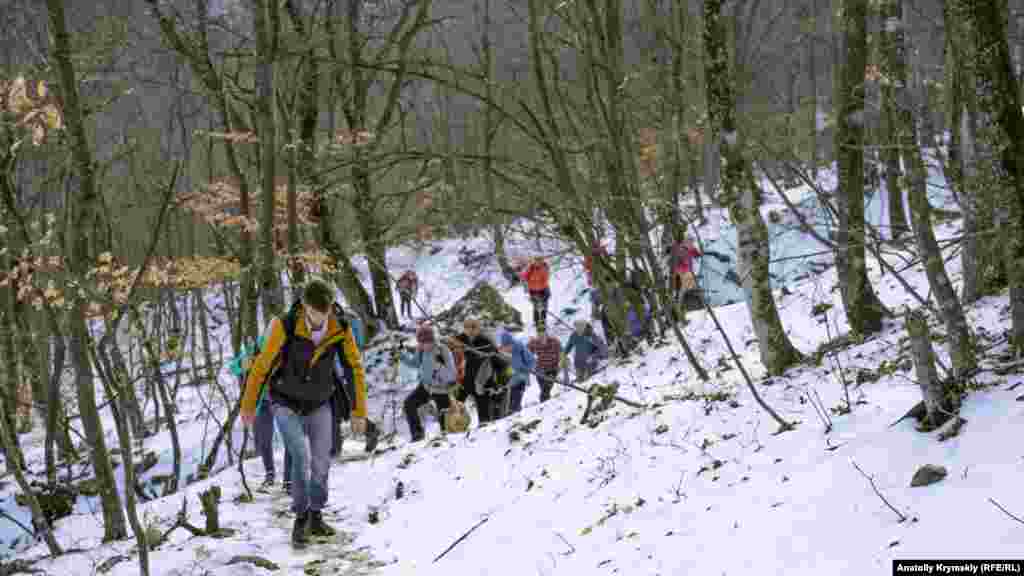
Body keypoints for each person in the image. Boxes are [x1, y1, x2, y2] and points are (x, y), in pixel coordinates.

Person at [240, 279, 368, 547]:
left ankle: (316, 514)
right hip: (285, 401)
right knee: (300, 454)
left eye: (326, 311)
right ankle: (300, 518)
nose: (321, 317)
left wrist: (359, 411)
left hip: (320, 401)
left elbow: (354, 368)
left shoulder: (340, 327)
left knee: (322, 461)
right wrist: (249, 405)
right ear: (305, 305)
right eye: (315, 311)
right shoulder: (285, 325)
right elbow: (261, 366)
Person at [229, 333, 276, 489]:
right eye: (247, 341)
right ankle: (269, 472)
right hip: (255, 404)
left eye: (251, 340)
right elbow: (233, 368)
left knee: (267, 439)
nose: (249, 342)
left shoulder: (265, 349)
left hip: (270, 400)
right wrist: (243, 364)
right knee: (261, 441)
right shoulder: (245, 355)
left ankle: (274, 474)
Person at [399, 324, 456, 442]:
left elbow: (451, 375)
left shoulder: (442, 350)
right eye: (421, 343)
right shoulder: (420, 350)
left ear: (432, 340)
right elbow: (414, 363)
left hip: (441, 389)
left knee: (444, 421)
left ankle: (447, 439)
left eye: (426, 342)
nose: (424, 346)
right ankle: (417, 435)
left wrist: (439, 367)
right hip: (425, 386)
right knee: (409, 403)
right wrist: (402, 354)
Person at [455, 318, 503, 424]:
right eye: (467, 327)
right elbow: (450, 344)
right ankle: (455, 428)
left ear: (478, 328)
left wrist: (497, 383)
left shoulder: (485, 341)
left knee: (484, 413)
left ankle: (485, 430)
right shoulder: (461, 339)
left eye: (473, 327)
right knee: (456, 404)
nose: (470, 330)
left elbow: (496, 359)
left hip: (482, 381)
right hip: (467, 380)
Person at [497, 331, 536, 415]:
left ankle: (515, 414)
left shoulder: (520, 347)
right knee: (509, 401)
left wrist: (526, 369)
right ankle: (514, 414)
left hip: (521, 377)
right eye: (505, 346)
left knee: (516, 398)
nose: (507, 348)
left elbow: (532, 360)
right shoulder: (501, 352)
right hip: (509, 381)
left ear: (512, 343)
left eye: (509, 346)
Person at [527, 325, 562, 403]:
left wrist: (561, 365)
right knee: (544, 389)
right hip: (540, 369)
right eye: (539, 334)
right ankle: (546, 405)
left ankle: (543, 405)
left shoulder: (555, 341)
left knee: (546, 388)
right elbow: (526, 353)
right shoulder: (534, 342)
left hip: (552, 369)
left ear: (546, 333)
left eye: (543, 333)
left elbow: (562, 354)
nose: (541, 336)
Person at [666, 237, 702, 303]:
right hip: (684, 270)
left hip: (680, 270)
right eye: (690, 242)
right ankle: (687, 299)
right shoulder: (686, 248)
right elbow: (697, 254)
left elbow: (697, 254)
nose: (691, 243)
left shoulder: (680, 247)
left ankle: (680, 298)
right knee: (687, 286)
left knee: (682, 286)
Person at [519, 257, 551, 331]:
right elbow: (524, 276)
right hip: (533, 290)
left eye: (539, 261)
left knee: (544, 306)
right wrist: (522, 276)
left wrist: (540, 296)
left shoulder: (544, 268)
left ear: (541, 261)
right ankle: (536, 321)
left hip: (543, 290)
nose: (537, 262)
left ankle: (543, 321)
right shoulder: (530, 268)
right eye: (536, 261)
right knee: (535, 306)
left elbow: (545, 281)